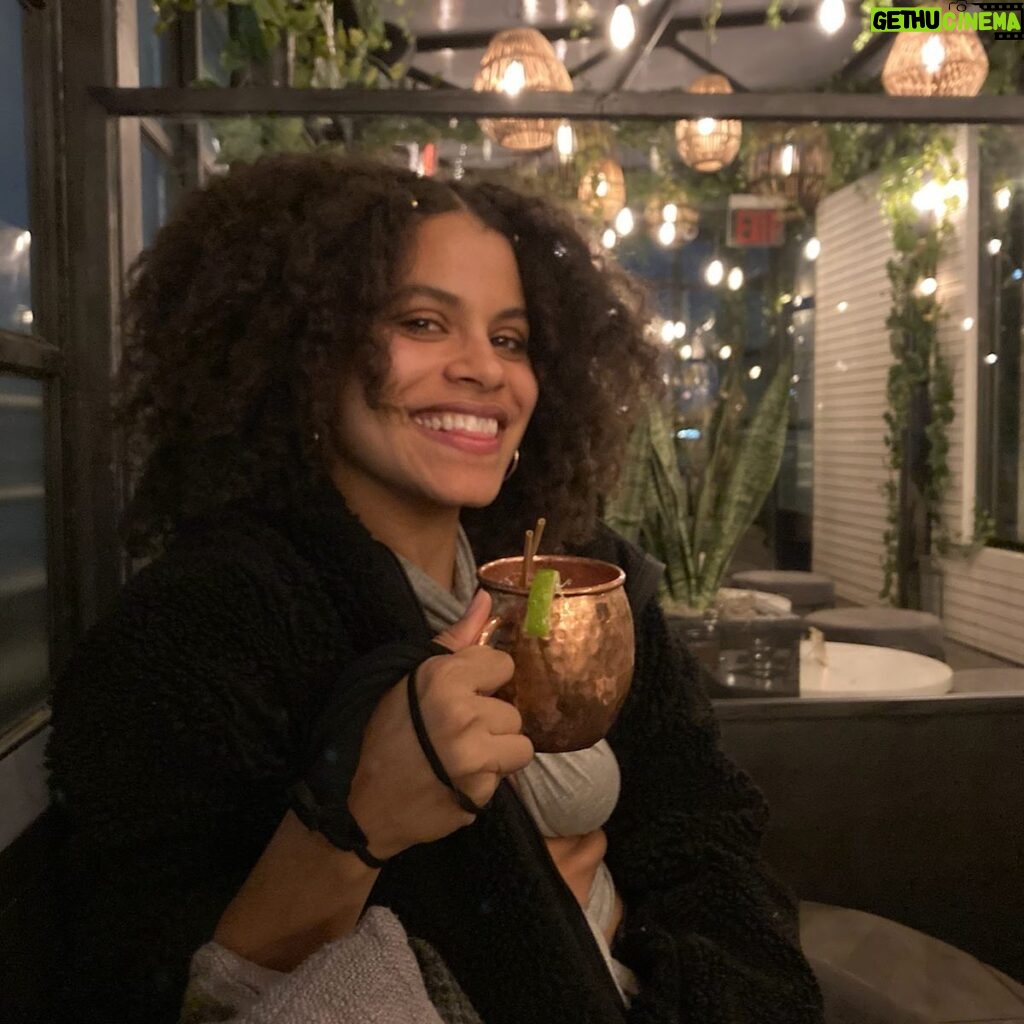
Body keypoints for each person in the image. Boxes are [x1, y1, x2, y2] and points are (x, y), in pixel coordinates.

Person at [46, 154, 824, 1024]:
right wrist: (358, 818)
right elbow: (150, 979)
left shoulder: (582, 574)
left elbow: (705, 831)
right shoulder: (198, 630)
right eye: (423, 322)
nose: (486, 371)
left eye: (509, 338)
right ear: (307, 349)